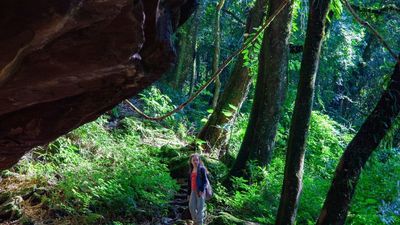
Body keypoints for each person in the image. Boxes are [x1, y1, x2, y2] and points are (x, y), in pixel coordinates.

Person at [187, 153, 208, 225]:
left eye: (197, 160)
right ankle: (196, 221)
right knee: (191, 207)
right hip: (193, 191)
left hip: (200, 191)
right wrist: (188, 194)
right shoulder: (190, 170)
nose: (195, 162)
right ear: (191, 161)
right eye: (194, 160)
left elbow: (205, 181)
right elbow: (189, 184)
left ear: (199, 161)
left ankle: (199, 223)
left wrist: (202, 190)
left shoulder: (202, 169)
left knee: (200, 208)